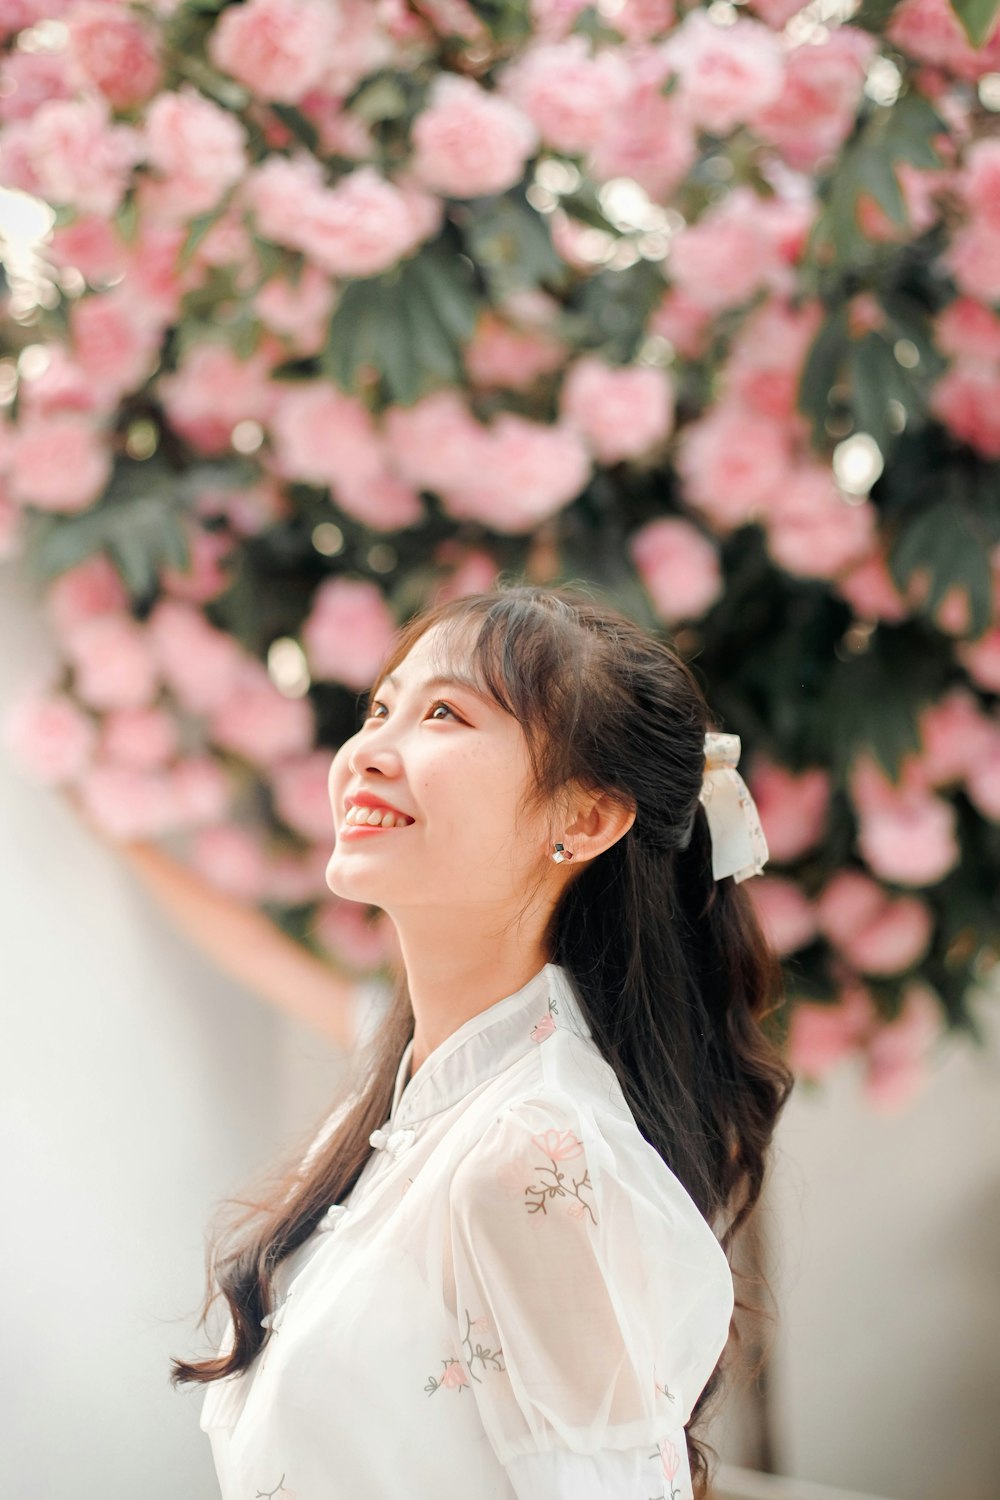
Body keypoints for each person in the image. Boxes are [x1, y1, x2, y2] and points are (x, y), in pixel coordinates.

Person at [172, 581, 794, 1500]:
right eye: (381, 706)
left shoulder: (532, 1155)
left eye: (444, 714)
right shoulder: (395, 1115)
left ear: (585, 820)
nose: (370, 751)